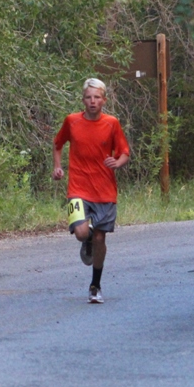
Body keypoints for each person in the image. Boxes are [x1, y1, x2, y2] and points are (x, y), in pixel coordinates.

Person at [52, 78, 130, 303]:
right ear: (83, 100)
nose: (92, 101)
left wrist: (119, 162)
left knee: (99, 237)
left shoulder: (112, 123)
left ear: (104, 100)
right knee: (82, 233)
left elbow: (124, 152)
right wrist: (57, 167)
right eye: (88, 97)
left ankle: (95, 285)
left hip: (105, 190)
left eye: (97, 97)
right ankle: (85, 241)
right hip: (77, 188)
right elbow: (58, 144)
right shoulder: (72, 121)